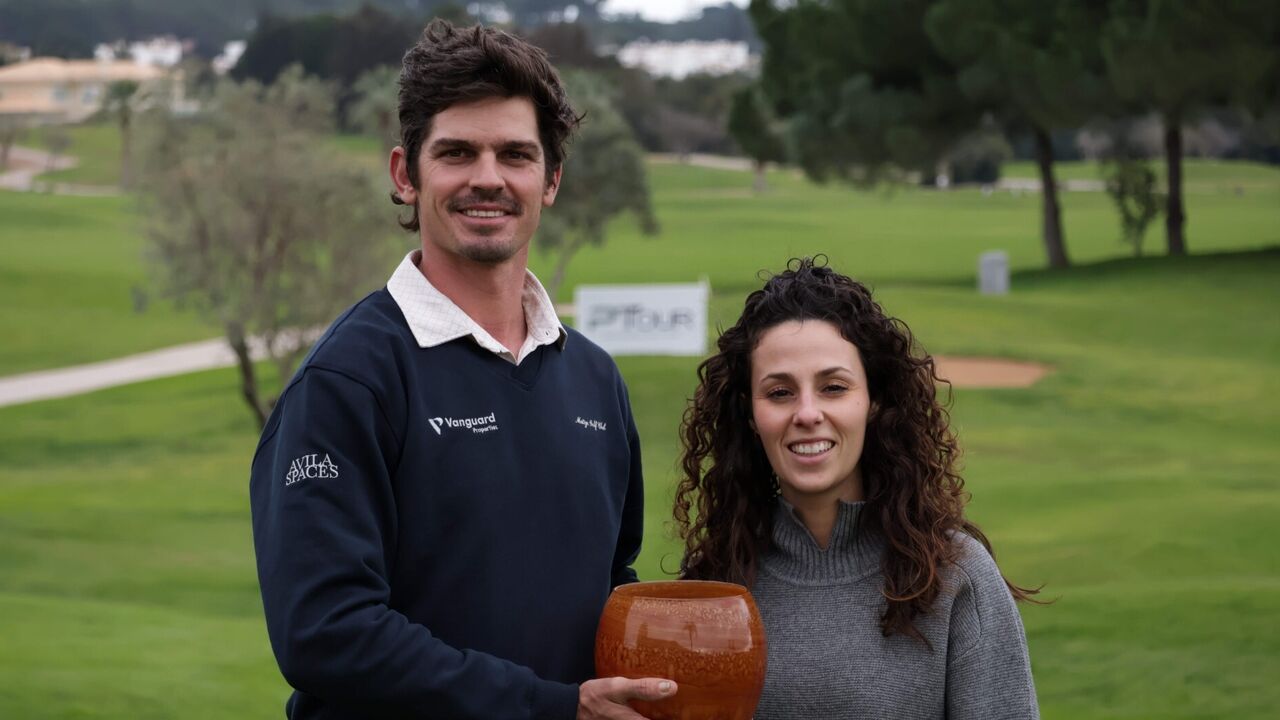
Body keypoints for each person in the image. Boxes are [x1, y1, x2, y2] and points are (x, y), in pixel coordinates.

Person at [249, 20, 674, 720]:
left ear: (551, 180)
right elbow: (325, 633)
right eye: (456, 152)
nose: (488, 178)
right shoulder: (347, 382)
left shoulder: (595, 380)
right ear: (405, 174)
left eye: (515, 154)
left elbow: (610, 582)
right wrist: (549, 707)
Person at [674, 257, 1040, 719]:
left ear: (874, 401)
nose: (806, 413)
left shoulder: (955, 578)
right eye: (780, 392)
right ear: (750, 415)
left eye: (833, 387)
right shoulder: (712, 584)